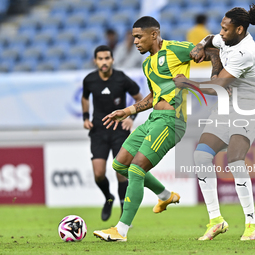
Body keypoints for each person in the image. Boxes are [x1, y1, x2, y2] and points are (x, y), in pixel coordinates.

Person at [93, 16, 221, 242]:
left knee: (135, 169)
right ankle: (165, 195)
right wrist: (129, 110)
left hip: (172, 120)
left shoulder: (175, 50)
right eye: (133, 38)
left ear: (154, 34)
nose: (135, 42)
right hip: (153, 118)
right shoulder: (146, 64)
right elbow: (154, 96)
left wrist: (215, 78)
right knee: (120, 164)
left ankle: (121, 230)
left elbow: (211, 52)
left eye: (138, 37)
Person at [174, 4, 255, 241]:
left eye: (225, 29)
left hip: (248, 103)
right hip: (227, 104)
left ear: (239, 29)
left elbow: (217, 87)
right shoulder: (227, 37)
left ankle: (251, 224)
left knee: (235, 158)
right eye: (221, 28)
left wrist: (187, 83)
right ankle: (216, 220)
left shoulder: (245, 51)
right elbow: (208, 38)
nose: (221, 32)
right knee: (201, 156)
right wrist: (199, 46)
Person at [82, 45, 143, 221]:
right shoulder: (90, 80)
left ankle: (124, 210)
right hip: (99, 132)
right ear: (95, 61)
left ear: (112, 60)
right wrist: (86, 117)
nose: (104, 62)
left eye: (107, 58)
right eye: (100, 59)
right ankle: (108, 197)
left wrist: (131, 117)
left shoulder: (122, 79)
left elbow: (139, 98)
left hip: (119, 131)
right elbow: (85, 98)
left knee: (121, 171)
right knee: (99, 173)